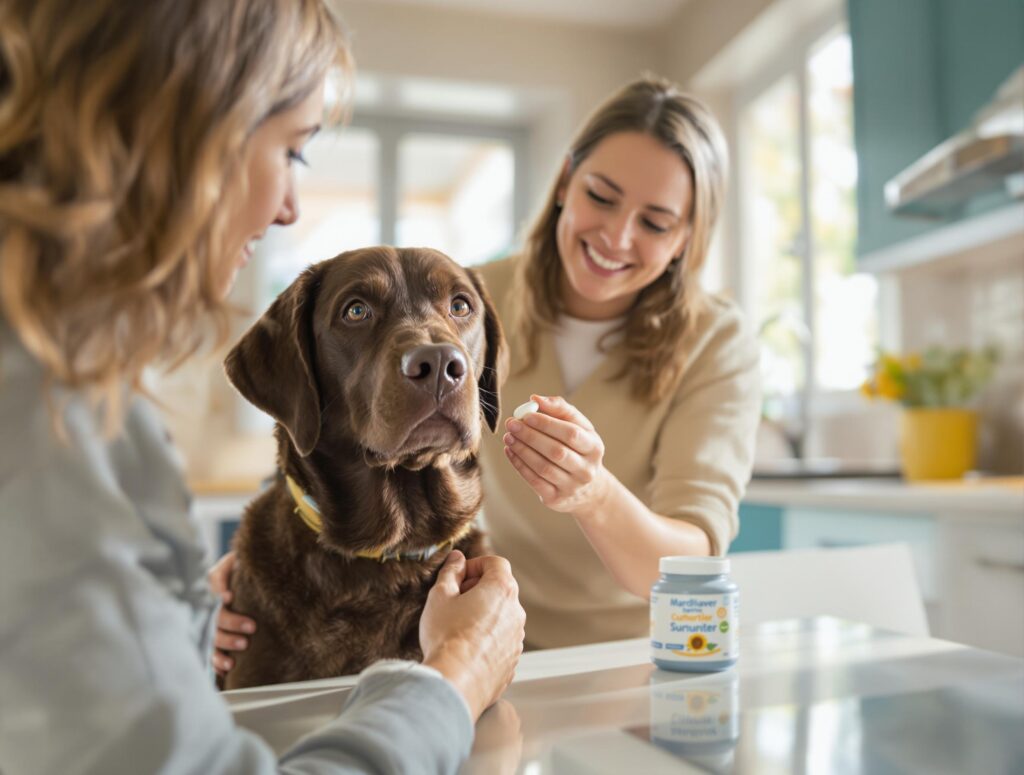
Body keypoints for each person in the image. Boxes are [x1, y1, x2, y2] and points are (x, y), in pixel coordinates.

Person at [0, 1, 525, 774]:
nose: (288, 207)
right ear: (180, 141)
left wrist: (168, 626)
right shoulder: (42, 425)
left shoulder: (71, 398)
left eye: (457, 313)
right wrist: (456, 678)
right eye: (291, 151)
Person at [212, 76, 760, 661]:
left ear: (685, 239)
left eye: (655, 223)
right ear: (567, 179)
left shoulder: (717, 341)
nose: (617, 235)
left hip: (638, 653)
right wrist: (261, 568)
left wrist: (594, 495)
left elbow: (692, 562)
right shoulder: (465, 298)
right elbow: (328, 428)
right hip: (475, 633)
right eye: (601, 196)